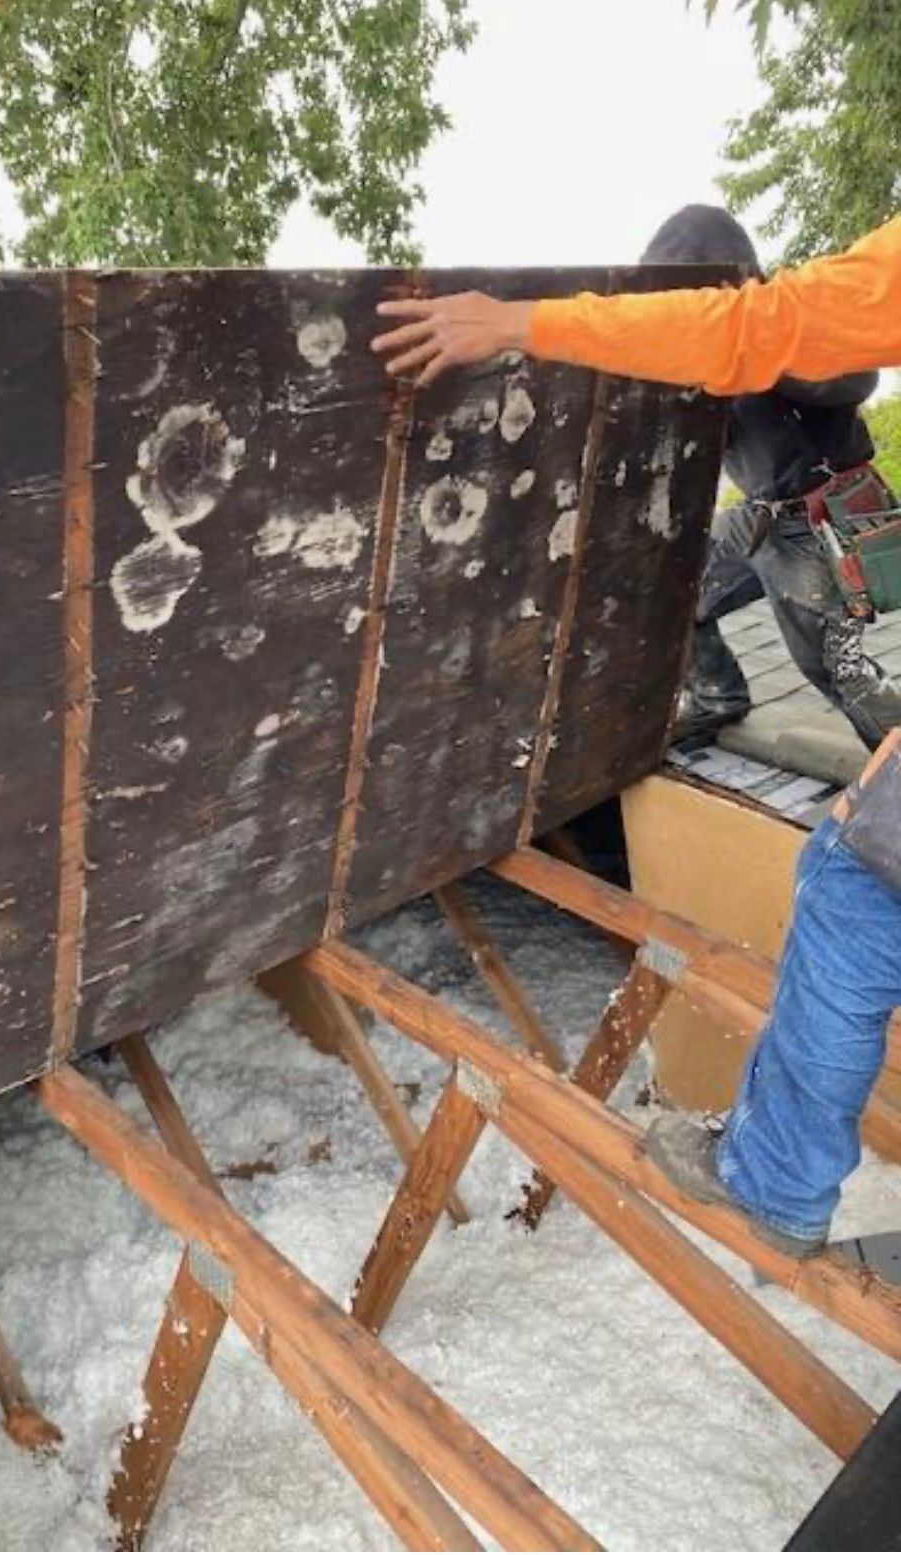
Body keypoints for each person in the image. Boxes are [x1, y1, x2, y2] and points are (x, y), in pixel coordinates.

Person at [371, 213, 901, 1257]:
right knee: (713, 607)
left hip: (833, 526)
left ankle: (777, 1183)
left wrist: (527, 324)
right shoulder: (736, 344)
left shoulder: (787, 339)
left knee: (858, 767)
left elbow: (816, 359)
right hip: (791, 524)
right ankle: (723, 694)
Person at [638, 205, 899, 749]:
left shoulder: (787, 318)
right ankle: (717, 697)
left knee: (837, 669)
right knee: (671, 590)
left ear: (730, 280)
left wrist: (759, 348)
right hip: (760, 515)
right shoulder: (705, 342)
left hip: (822, 518)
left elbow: (857, 377)